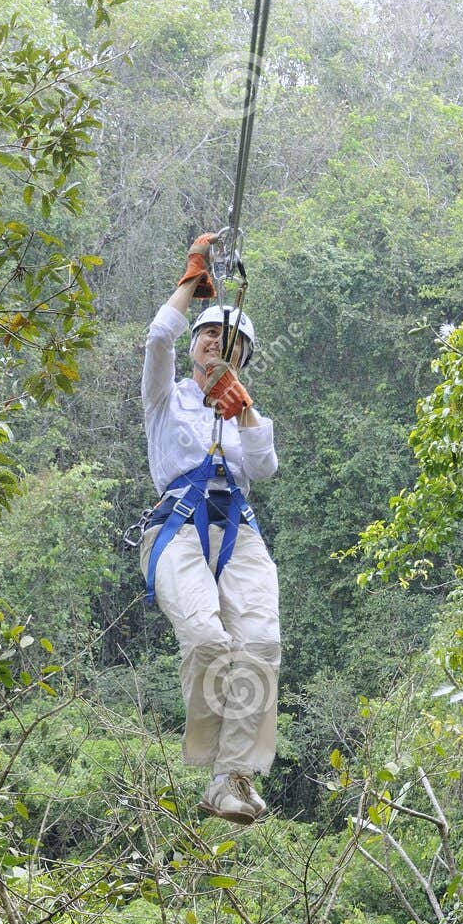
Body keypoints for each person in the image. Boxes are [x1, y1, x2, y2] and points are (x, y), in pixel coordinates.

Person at [137, 233, 280, 825]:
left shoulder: (244, 409)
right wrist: (192, 281)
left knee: (260, 646)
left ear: (241, 357)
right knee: (208, 641)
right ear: (195, 343)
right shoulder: (164, 398)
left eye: (229, 341)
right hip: (178, 527)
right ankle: (216, 767)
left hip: (237, 530)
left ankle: (232, 778)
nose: (217, 343)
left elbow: (264, 469)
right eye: (210, 334)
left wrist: (241, 407)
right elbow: (157, 338)